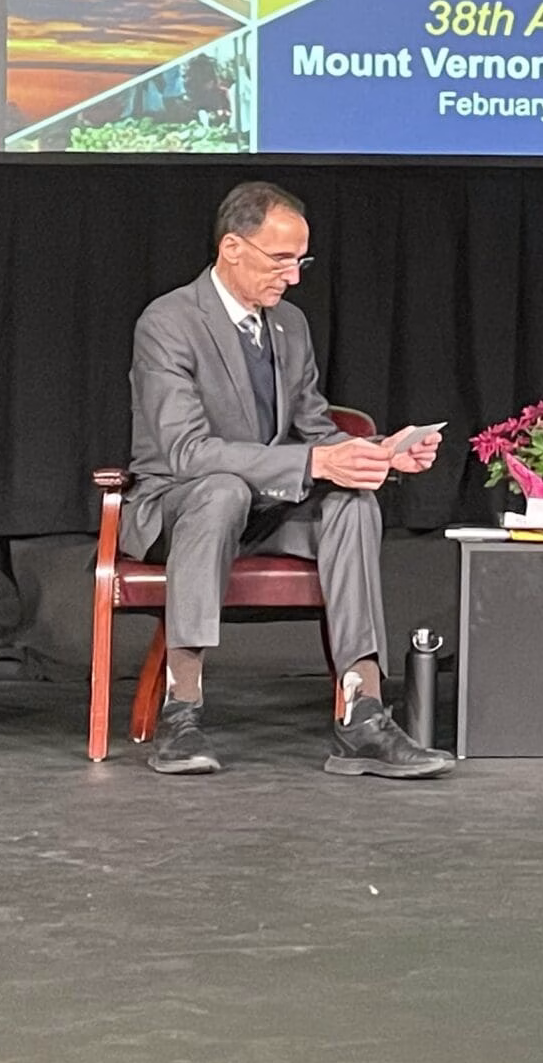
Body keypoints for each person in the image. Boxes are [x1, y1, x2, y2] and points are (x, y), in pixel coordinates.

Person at [124, 181, 453, 779]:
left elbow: (313, 429)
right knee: (220, 490)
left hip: (269, 512)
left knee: (354, 502)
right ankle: (182, 710)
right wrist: (312, 463)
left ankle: (364, 715)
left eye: (300, 261)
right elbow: (186, 451)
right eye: (280, 260)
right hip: (182, 507)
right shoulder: (168, 322)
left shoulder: (290, 326)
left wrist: (377, 452)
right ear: (232, 248)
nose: (293, 276)